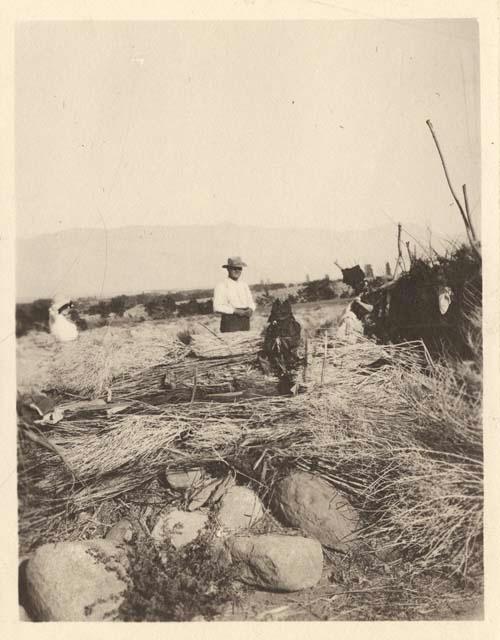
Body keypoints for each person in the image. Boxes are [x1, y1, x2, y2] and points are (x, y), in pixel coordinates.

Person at [213, 256, 256, 333]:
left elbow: (251, 302)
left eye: (239, 268)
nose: (237, 271)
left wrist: (251, 309)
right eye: (234, 268)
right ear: (228, 269)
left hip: (245, 321)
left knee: (246, 343)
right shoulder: (222, 285)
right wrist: (235, 311)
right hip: (230, 322)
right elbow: (217, 307)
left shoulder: (244, 285)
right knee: (232, 344)